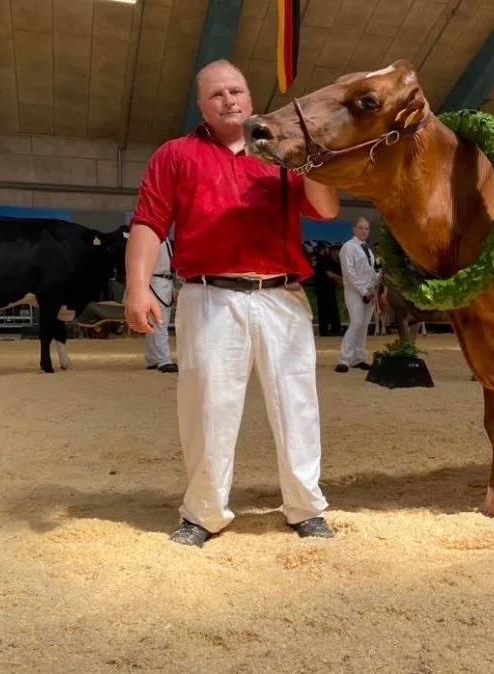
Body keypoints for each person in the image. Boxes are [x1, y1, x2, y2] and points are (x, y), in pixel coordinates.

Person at [124, 59, 341, 547]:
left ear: (249, 97)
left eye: (237, 91)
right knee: (206, 407)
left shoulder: (280, 151)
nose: (230, 101)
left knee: (296, 404)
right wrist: (138, 287)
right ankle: (203, 512)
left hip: (281, 295)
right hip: (208, 295)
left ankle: (306, 506)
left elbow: (326, 209)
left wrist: (308, 159)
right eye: (217, 94)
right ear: (201, 104)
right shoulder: (175, 154)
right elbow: (149, 222)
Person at [335, 217, 379, 373]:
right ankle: (344, 359)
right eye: (361, 228)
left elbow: (370, 271)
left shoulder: (367, 248)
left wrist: (377, 280)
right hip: (355, 291)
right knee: (357, 323)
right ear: (353, 229)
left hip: (369, 291)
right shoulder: (348, 247)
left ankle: (358, 358)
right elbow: (349, 273)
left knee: (363, 326)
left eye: (366, 228)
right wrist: (363, 290)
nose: (364, 231)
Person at [143, 236, 178, 373]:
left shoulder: (163, 239)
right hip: (156, 281)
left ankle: (152, 358)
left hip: (163, 280)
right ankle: (164, 360)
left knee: (153, 322)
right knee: (160, 321)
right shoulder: (153, 238)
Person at [312, 244, 343, 337]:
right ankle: (324, 331)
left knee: (333, 308)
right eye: (338, 251)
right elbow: (330, 274)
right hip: (321, 288)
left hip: (330, 288)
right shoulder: (324, 260)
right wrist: (343, 280)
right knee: (323, 309)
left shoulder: (336, 262)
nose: (340, 253)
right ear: (333, 251)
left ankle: (336, 330)